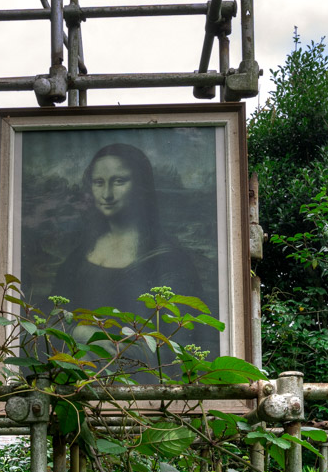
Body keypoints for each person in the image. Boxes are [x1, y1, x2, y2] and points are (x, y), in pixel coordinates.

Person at [44, 143, 214, 365]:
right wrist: (81, 332)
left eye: (119, 181)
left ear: (140, 186)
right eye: (98, 183)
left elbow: (180, 341)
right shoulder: (79, 257)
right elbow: (51, 320)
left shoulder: (169, 260)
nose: (107, 194)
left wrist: (122, 349)